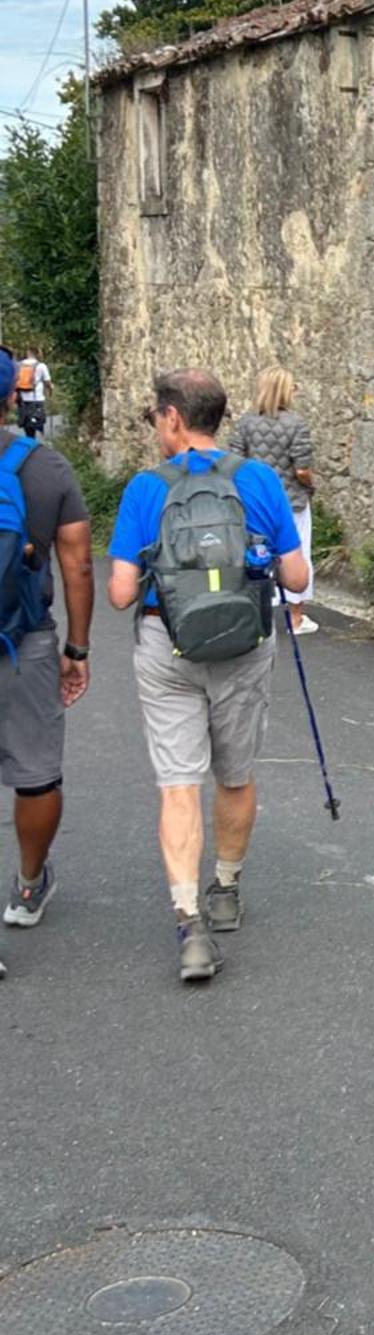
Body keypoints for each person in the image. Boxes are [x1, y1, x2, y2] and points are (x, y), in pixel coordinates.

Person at [107, 368, 309, 986]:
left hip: (169, 652)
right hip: (244, 648)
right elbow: (297, 580)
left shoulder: (146, 489)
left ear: (172, 417)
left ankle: (188, 920)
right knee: (236, 775)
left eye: (154, 417)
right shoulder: (258, 481)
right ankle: (225, 887)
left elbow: (119, 593)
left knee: (177, 785)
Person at [0, 349, 92, 983]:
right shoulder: (43, 465)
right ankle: (29, 885)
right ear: (13, 397)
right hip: (24, 638)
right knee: (35, 774)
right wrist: (77, 649)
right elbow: (78, 560)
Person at [226, 367, 318, 634]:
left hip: (252, 501)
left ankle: (254, 611)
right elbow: (302, 469)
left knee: (255, 553)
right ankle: (296, 617)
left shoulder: (245, 423)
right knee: (298, 554)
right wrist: (311, 485)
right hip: (291, 499)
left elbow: (233, 462)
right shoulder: (297, 424)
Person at [15, 351, 51, 440]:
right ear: (37, 355)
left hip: (22, 399)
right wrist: (50, 390)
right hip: (37, 398)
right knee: (38, 420)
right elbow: (47, 382)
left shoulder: (18, 365)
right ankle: (40, 442)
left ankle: (30, 439)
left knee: (26, 422)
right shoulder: (41, 366)